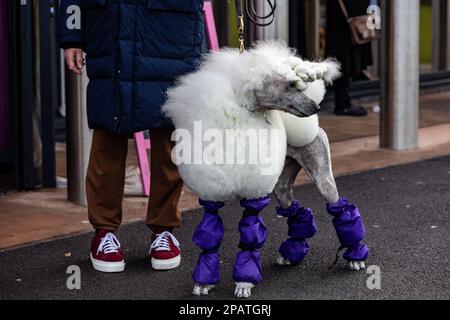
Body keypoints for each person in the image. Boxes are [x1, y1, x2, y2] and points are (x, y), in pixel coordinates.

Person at [58, 0, 204, 273]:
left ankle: (164, 229)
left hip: (172, 29)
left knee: (169, 134)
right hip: (110, 28)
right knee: (108, 132)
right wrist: (72, 35)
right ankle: (104, 232)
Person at [326, 0, 373, 116]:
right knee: (343, 60)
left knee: (343, 59)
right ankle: (343, 104)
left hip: (346, 23)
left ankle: (343, 103)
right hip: (346, 24)